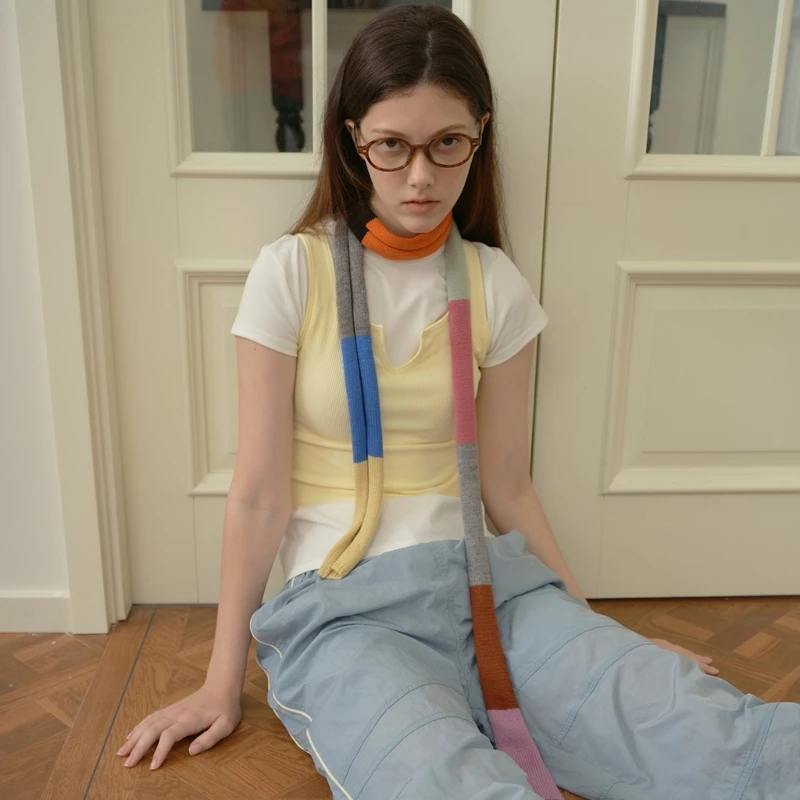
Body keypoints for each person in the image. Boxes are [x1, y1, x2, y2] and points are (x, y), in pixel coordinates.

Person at [115, 6, 799, 798]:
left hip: (491, 592)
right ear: (351, 140)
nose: (420, 176)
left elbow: (507, 486)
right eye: (391, 146)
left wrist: (598, 635)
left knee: (712, 733)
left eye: (447, 144)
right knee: (450, 784)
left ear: (479, 136)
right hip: (344, 614)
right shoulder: (291, 273)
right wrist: (220, 681)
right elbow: (259, 496)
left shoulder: (494, 283)